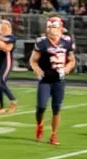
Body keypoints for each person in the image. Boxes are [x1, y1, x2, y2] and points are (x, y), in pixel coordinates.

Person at [29, 16, 75, 145]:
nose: (51, 29)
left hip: (58, 80)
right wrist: (38, 71)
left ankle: (54, 134)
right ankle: (39, 124)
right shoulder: (42, 42)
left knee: (56, 108)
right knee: (41, 107)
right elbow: (33, 60)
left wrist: (66, 69)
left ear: (60, 28)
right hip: (45, 79)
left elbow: (72, 60)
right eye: (49, 26)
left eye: (53, 27)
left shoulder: (66, 42)